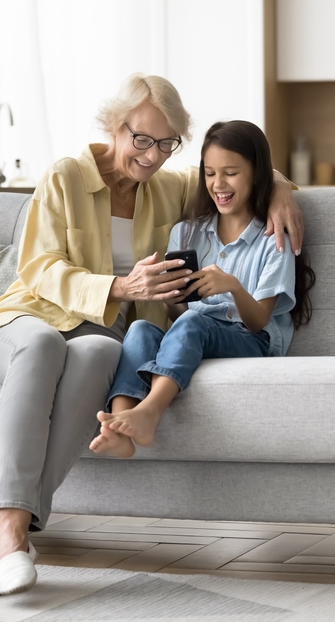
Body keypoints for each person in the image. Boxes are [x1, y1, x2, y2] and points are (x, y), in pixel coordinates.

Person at [0, 75, 305, 598]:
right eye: (142, 139)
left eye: (167, 144)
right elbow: (38, 267)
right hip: (25, 320)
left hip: (94, 331)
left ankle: (7, 534)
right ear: (114, 127)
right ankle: (9, 529)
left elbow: (238, 167)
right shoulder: (66, 177)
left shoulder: (168, 185)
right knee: (45, 343)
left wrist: (281, 194)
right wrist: (119, 284)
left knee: (103, 347)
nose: (152, 155)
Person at [90, 120, 315, 458]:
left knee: (194, 324)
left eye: (230, 173)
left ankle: (150, 412)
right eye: (210, 173)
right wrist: (172, 298)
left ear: (256, 174)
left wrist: (233, 287)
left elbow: (257, 323)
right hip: (196, 331)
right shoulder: (186, 233)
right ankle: (119, 424)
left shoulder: (273, 239)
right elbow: (181, 316)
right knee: (138, 330)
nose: (218, 184)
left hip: (252, 339)